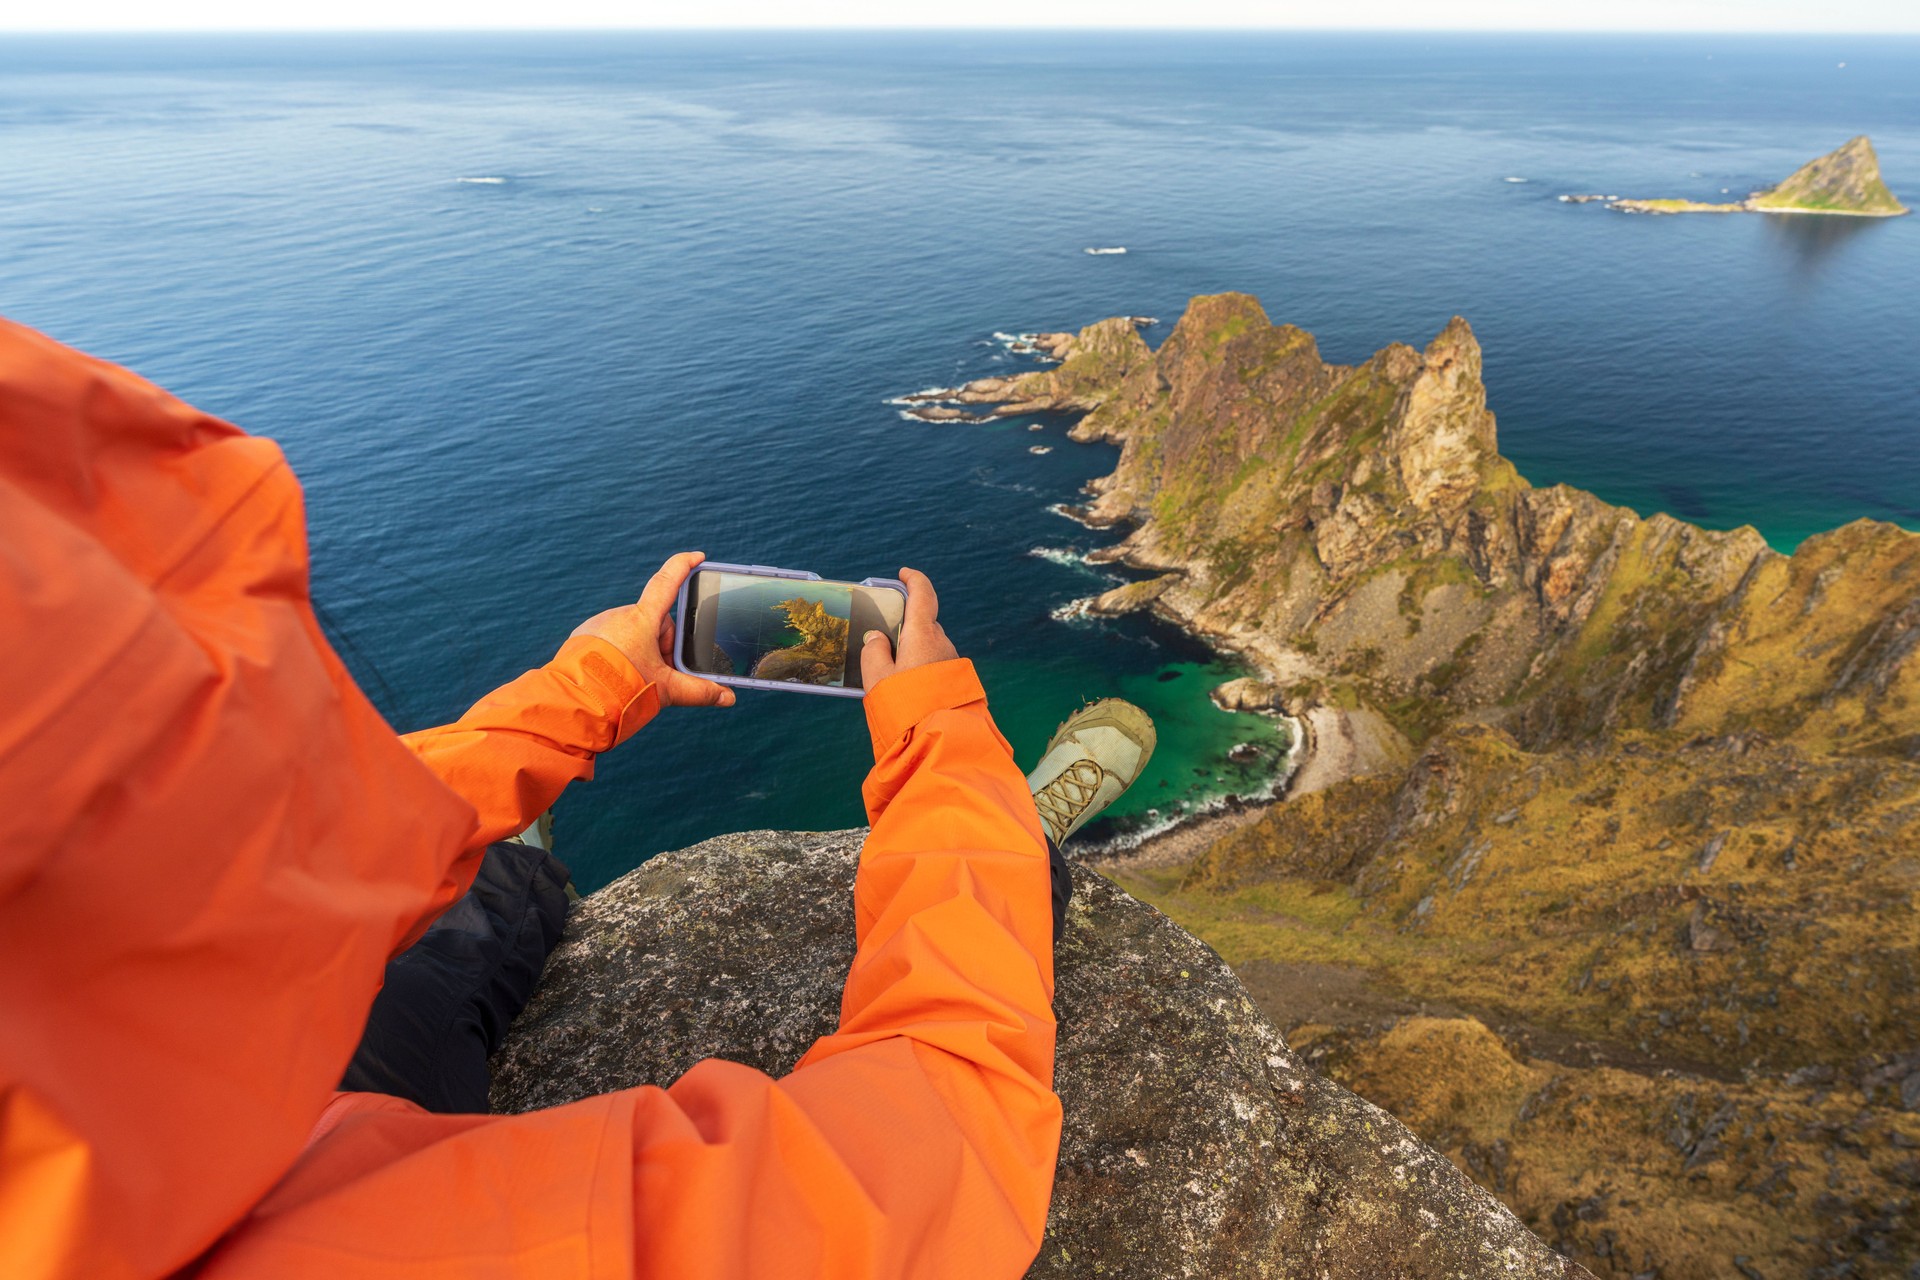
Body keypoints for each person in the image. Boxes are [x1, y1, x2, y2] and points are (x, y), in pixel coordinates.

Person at [0, 316, 1157, 1279]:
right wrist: (945, 750)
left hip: (169, 1151)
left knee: (451, 897)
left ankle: (504, 850)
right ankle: (1016, 837)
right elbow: (941, 1130)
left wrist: (585, 692)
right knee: (453, 920)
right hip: (292, 1154)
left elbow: (246, 863)